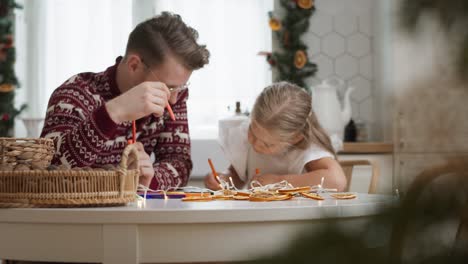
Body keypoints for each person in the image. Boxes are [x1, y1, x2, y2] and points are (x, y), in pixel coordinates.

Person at [40, 12, 210, 190]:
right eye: (168, 88)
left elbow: (179, 162)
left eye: (181, 87)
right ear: (134, 65)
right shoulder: (74, 94)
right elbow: (49, 171)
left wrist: (148, 179)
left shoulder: (175, 95)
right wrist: (113, 112)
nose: (174, 99)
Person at [204, 81, 347, 191]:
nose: (256, 145)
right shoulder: (245, 138)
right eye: (252, 132)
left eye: (268, 144)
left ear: (295, 137)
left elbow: (337, 180)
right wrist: (223, 179)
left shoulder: (306, 148)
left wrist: (277, 182)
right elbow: (238, 176)